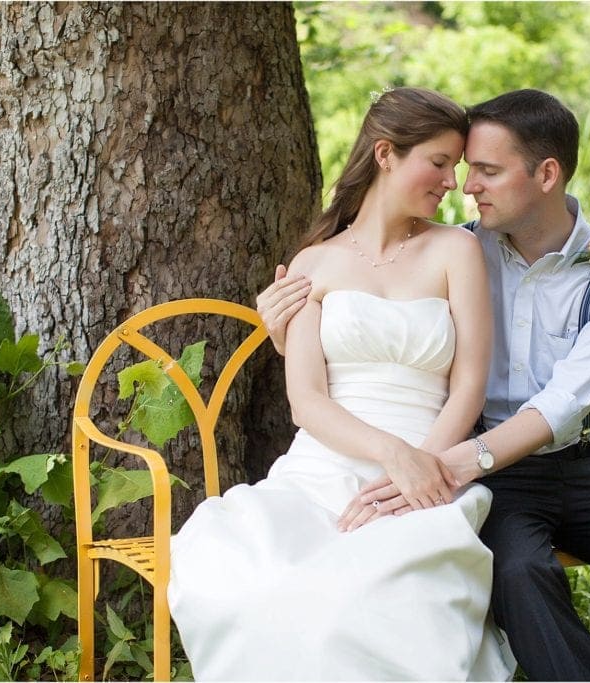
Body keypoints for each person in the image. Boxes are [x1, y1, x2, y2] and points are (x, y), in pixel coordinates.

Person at [258, 89, 590, 681]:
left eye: (485, 170)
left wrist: (449, 464)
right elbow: (365, 334)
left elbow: (565, 403)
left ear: (546, 174)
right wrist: (286, 333)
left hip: (575, 460)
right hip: (496, 471)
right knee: (520, 572)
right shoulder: (458, 247)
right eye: (461, 169)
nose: (466, 186)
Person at [168, 87, 515, 681]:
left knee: (366, 600)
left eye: (456, 167)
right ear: (386, 154)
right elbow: (307, 402)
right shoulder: (313, 264)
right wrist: (390, 454)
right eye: (439, 163)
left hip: (430, 464)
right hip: (322, 468)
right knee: (258, 583)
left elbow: (469, 387)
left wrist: (418, 471)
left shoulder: (456, 251)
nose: (452, 182)